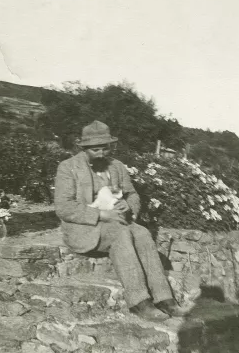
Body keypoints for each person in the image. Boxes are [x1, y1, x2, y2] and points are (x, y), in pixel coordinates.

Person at [54, 120, 181, 321]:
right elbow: (63, 207)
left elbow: (133, 194)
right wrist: (101, 215)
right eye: (95, 150)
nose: (102, 154)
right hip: (85, 229)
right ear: (84, 148)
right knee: (121, 234)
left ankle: (164, 297)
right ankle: (139, 301)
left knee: (141, 232)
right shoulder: (68, 168)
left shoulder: (117, 167)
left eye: (105, 148)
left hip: (116, 221)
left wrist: (128, 205)